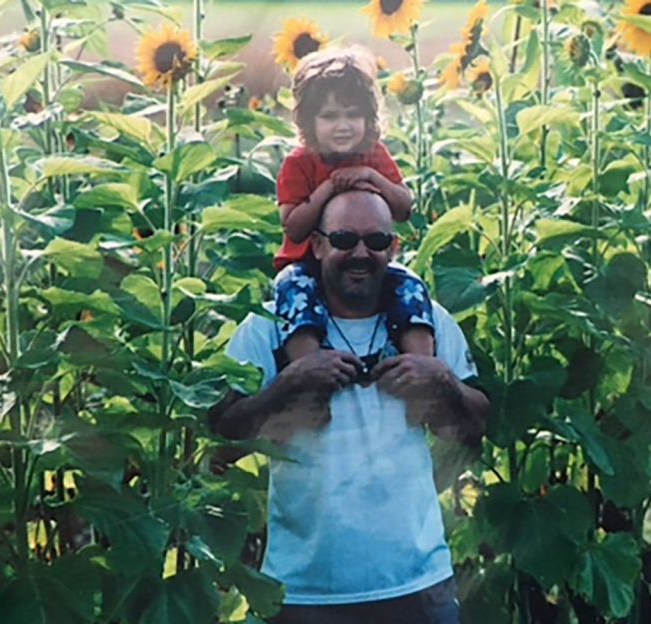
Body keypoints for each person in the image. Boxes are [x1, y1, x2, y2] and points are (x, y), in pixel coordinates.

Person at [210, 190, 490, 624]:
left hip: (417, 584)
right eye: (343, 239)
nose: (360, 253)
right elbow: (219, 445)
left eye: (376, 242)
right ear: (318, 245)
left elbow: (475, 429)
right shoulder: (266, 327)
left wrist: (442, 381)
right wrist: (287, 386)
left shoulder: (428, 322)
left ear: (393, 248)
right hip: (305, 592)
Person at [273, 46, 436, 368]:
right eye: (329, 116)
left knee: (410, 287)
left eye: (353, 114)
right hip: (309, 267)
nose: (343, 125)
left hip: (368, 261)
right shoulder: (299, 164)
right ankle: (310, 371)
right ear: (309, 121)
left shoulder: (373, 154)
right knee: (290, 291)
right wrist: (329, 187)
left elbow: (404, 207)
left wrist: (371, 176)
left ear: (369, 117)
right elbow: (293, 226)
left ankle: (422, 368)